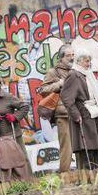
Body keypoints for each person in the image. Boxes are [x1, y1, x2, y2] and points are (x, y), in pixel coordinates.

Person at [60, 49, 98, 171]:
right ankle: (89, 174)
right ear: (80, 61)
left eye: (89, 61)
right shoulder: (74, 74)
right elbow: (66, 97)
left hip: (95, 111)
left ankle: (97, 172)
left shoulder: (86, 73)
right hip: (85, 114)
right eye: (87, 61)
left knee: (97, 144)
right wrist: (76, 115)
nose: (89, 64)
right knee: (88, 145)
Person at [39, 44, 74, 173]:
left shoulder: (75, 70)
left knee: (81, 143)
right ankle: (64, 173)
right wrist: (58, 84)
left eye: (73, 55)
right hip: (63, 114)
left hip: (77, 112)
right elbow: (42, 90)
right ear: (61, 58)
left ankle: (84, 171)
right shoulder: (53, 72)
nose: (71, 58)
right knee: (66, 146)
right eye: (68, 55)